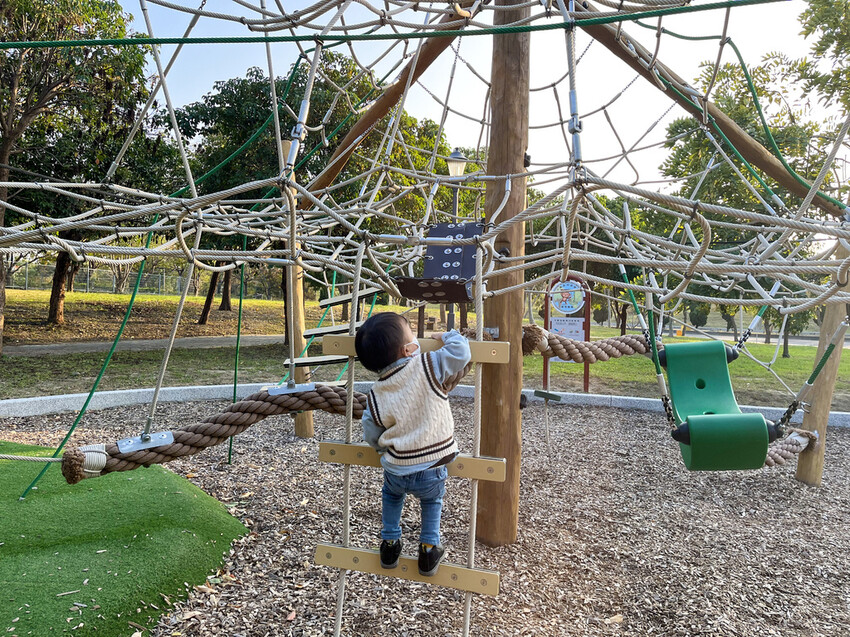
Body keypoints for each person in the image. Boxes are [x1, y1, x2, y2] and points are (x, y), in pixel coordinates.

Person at [355, 312, 471, 576]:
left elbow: (371, 431)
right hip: (433, 465)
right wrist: (447, 335)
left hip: (397, 469)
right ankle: (429, 549)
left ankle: (390, 543)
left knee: (391, 495)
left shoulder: (376, 393)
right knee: (432, 502)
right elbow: (461, 352)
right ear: (409, 349)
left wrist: (381, 448)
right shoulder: (428, 364)